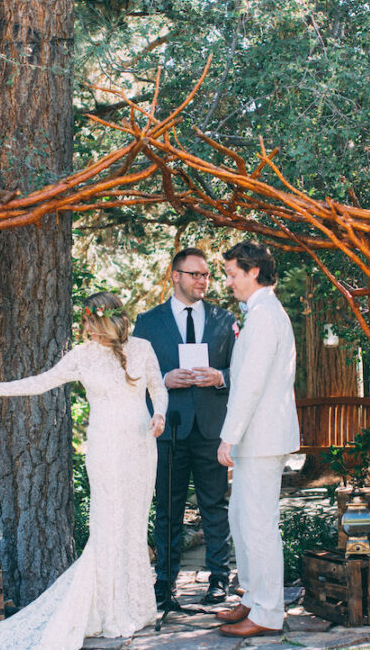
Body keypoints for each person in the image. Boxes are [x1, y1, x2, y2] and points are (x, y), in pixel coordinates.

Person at [0, 292, 168, 650]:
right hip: (105, 447)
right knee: (108, 525)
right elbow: (40, 382)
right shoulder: (82, 356)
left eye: (87, 320)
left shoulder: (143, 348)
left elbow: (158, 387)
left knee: (134, 524)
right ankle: (109, 612)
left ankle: (137, 606)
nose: (84, 326)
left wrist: (159, 414)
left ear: (101, 319)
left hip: (140, 444)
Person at [132, 247, 236, 607]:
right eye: (195, 274)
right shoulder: (148, 322)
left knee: (214, 506)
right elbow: (134, 375)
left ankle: (219, 579)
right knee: (168, 509)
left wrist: (219, 377)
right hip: (168, 429)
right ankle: (165, 582)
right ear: (175, 276)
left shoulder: (225, 319)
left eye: (206, 275)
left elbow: (242, 370)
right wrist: (164, 379)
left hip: (211, 429)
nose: (202, 281)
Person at [213, 241, 300, 638]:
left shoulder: (265, 316)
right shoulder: (259, 313)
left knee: (259, 524)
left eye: (233, 274)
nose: (228, 281)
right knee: (241, 519)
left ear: (253, 272)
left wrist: (228, 437)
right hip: (256, 436)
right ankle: (251, 597)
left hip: (262, 437)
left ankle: (267, 612)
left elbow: (250, 384)